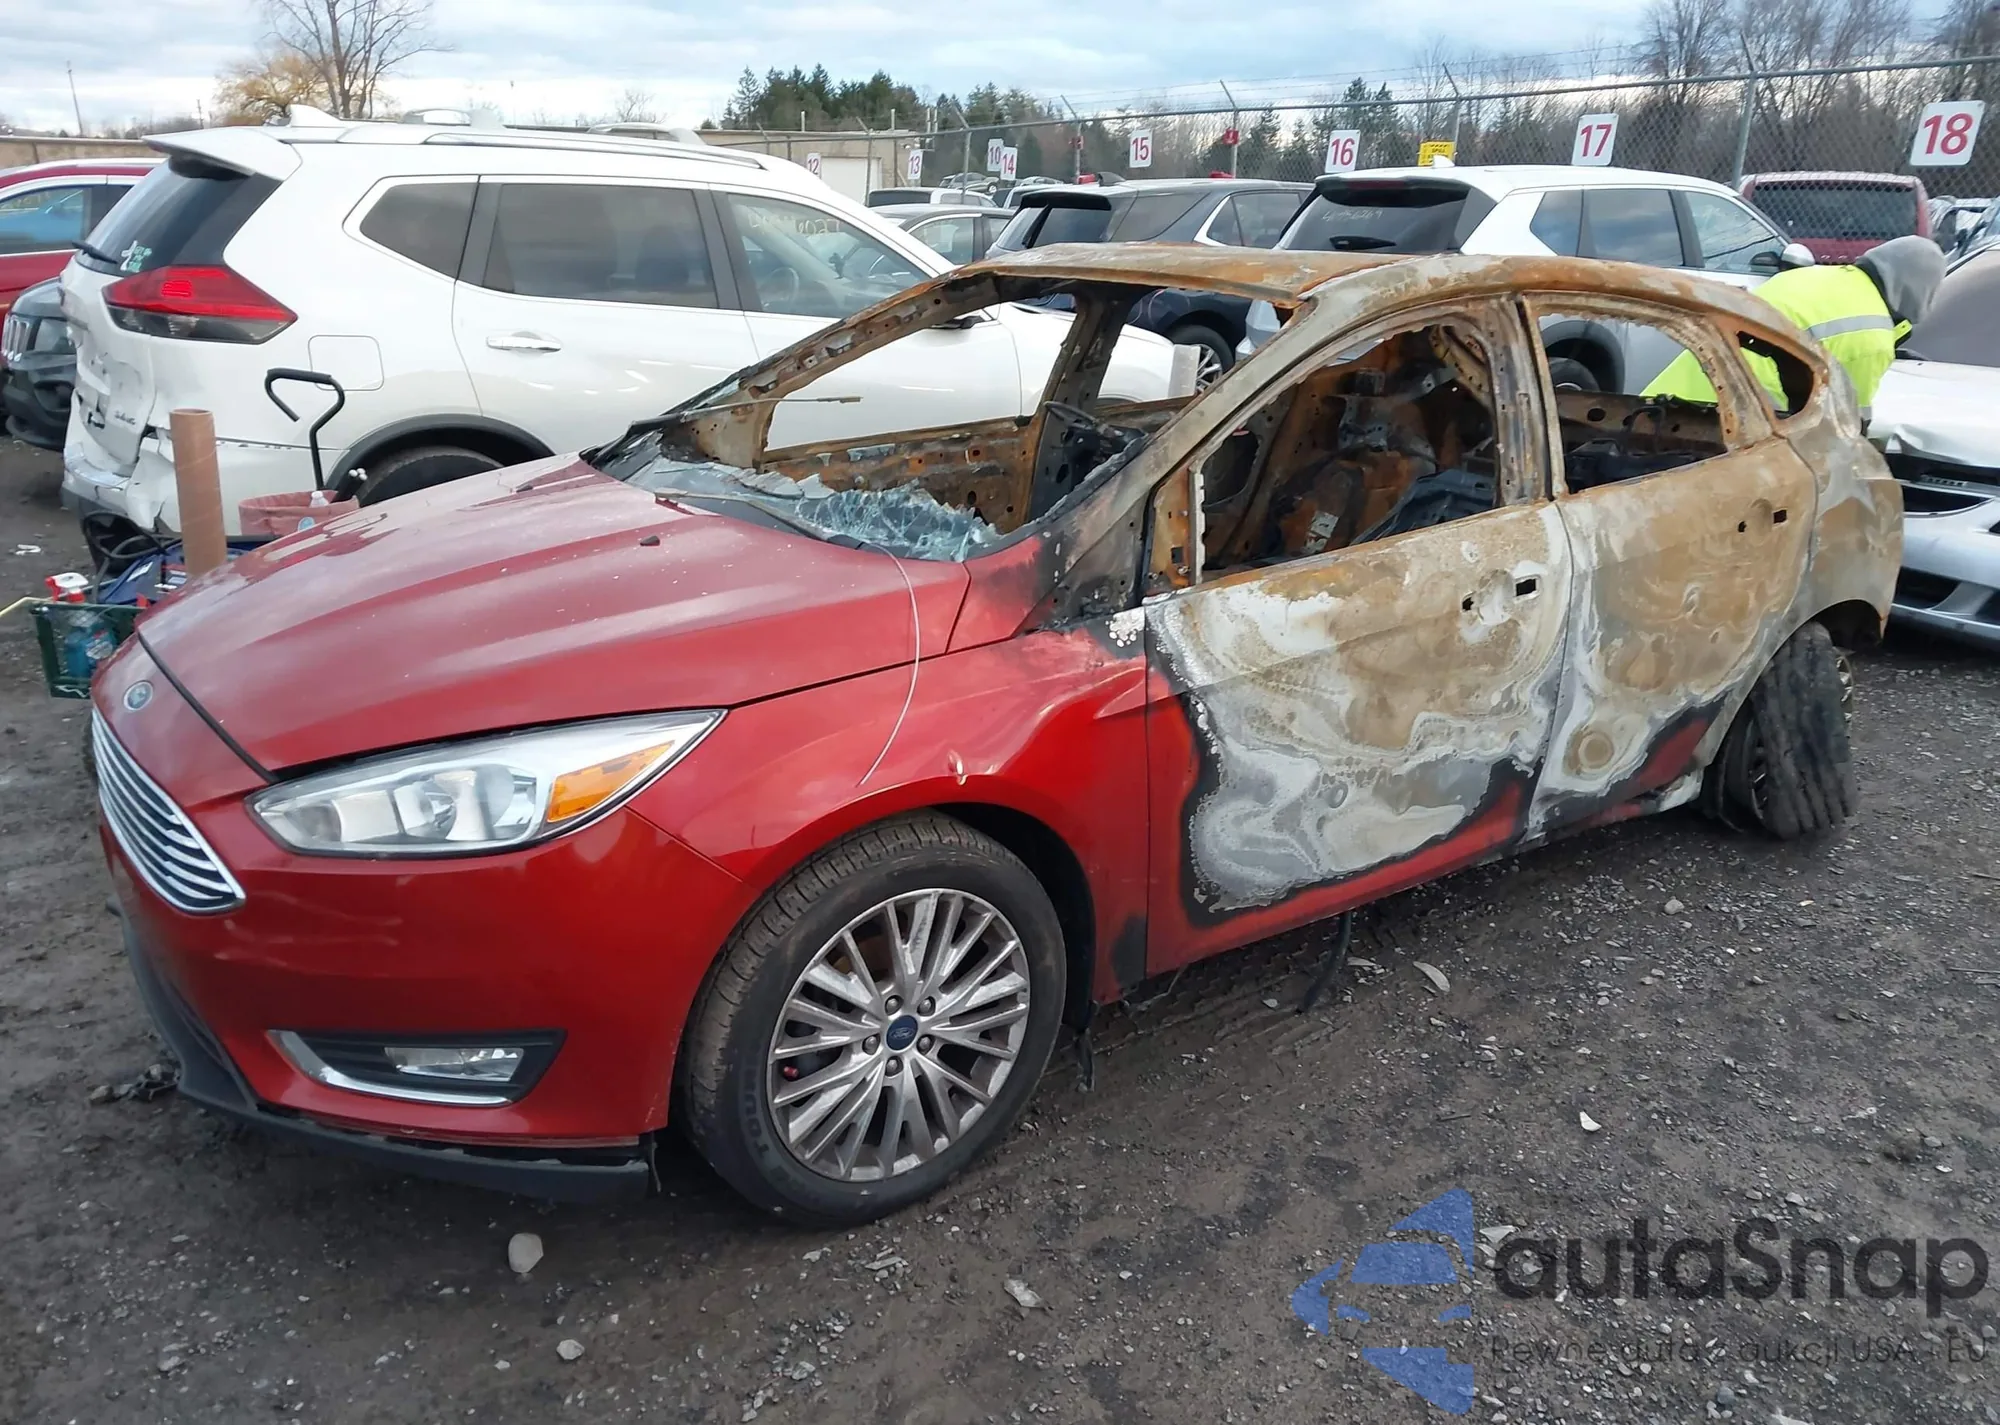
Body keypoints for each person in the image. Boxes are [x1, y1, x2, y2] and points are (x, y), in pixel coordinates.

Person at [1643, 233, 1946, 420]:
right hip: (1739, 423)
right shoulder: (1873, 337)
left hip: (1661, 401)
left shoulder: (1810, 276)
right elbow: (1850, 424)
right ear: (1920, 292)